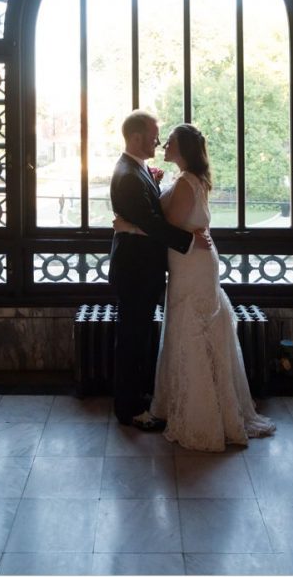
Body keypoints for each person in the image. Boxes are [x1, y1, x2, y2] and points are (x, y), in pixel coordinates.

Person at [145, 123, 277, 450]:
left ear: (183, 148)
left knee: (191, 327)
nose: (164, 146)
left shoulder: (187, 182)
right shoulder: (193, 180)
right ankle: (212, 402)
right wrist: (158, 186)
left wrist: (141, 212)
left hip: (191, 264)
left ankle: (201, 413)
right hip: (195, 260)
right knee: (199, 327)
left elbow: (168, 227)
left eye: (170, 142)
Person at [107, 109, 211, 431]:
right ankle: (129, 409)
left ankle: (138, 398)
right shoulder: (127, 173)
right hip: (135, 272)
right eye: (154, 133)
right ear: (137, 137)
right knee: (131, 340)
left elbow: (144, 217)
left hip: (143, 270)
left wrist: (133, 221)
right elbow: (152, 222)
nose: (158, 139)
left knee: (137, 337)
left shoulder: (137, 171)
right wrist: (190, 241)